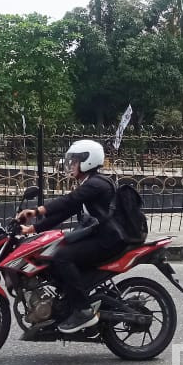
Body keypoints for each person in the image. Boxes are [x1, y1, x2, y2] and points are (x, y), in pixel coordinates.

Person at [15, 139, 125, 334]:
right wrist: (31, 230)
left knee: (62, 257)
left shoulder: (97, 184)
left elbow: (68, 201)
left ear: (88, 161)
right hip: (99, 236)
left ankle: (83, 310)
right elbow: (66, 211)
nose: (71, 165)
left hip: (108, 240)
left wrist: (36, 211)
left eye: (75, 161)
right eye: (72, 161)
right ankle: (67, 302)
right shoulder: (90, 183)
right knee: (53, 253)